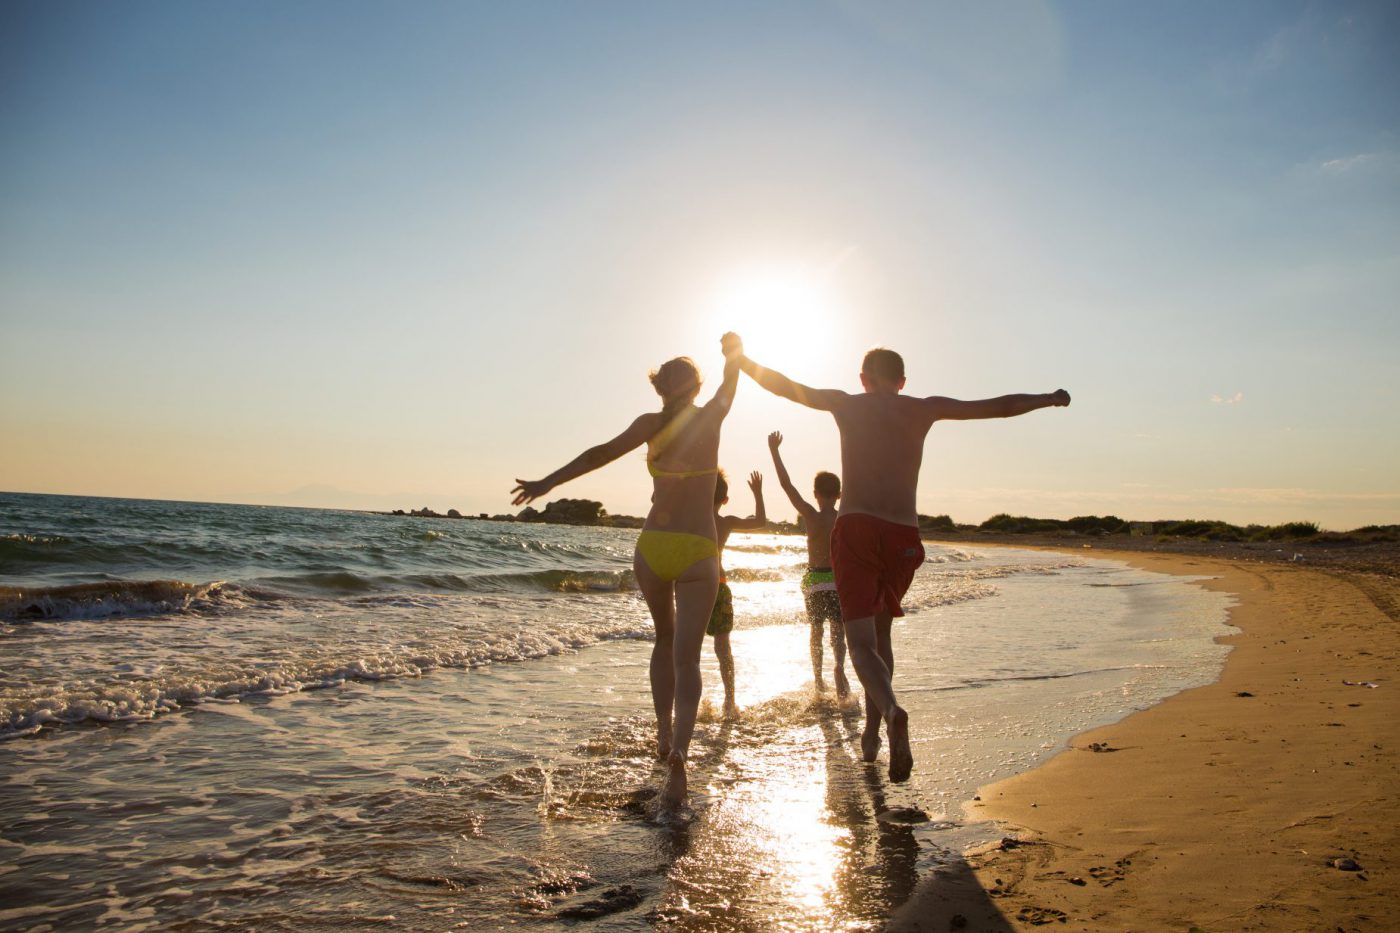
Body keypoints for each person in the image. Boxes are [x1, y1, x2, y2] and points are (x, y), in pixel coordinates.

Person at [727, 333, 1069, 781]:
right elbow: (998, 406)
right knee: (882, 636)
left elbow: (784, 385)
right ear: (902, 381)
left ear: (863, 378)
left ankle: (889, 711)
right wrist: (1048, 398)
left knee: (861, 644)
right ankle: (872, 731)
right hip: (904, 535)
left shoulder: (846, 402)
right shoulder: (923, 408)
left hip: (857, 531)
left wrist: (740, 357)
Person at [512, 339, 742, 808]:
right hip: (699, 549)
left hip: (653, 546)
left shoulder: (649, 424)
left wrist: (546, 483)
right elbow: (732, 379)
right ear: (695, 387)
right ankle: (679, 752)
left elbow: (598, 454)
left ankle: (661, 736)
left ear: (659, 390)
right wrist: (733, 351)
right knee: (688, 658)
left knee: (663, 639)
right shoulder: (712, 416)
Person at [767, 431, 849, 698]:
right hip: (837, 580)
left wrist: (775, 451)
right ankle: (839, 668)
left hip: (814, 580)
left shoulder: (811, 516)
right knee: (838, 630)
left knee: (816, 631)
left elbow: (786, 485)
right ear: (838, 494)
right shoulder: (843, 517)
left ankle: (817, 679)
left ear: (815, 494)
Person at [709, 469, 767, 718]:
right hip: (719, 585)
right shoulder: (726, 522)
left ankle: (684, 700)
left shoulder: (692, 518)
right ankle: (730, 701)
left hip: (692, 586)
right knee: (723, 647)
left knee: (686, 647)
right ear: (725, 500)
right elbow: (760, 522)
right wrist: (758, 493)